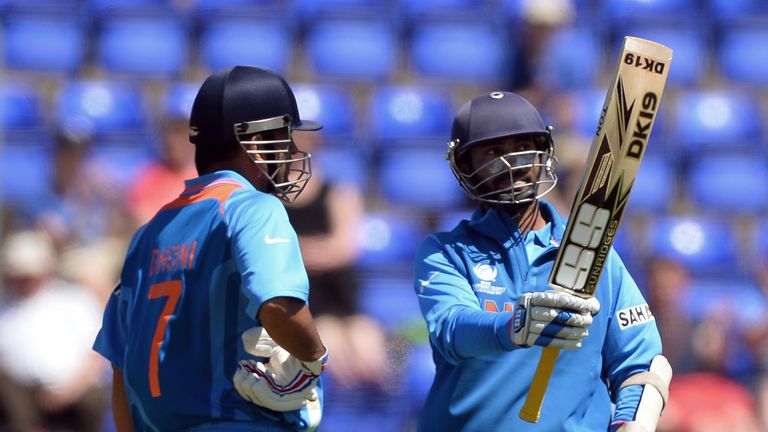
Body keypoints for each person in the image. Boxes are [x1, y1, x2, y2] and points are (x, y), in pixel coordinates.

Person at [412, 91, 668, 431]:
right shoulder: (446, 252)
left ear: (543, 154)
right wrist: (513, 327)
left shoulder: (595, 255)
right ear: (464, 165)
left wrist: (631, 422)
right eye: (493, 151)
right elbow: (452, 331)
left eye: (522, 148)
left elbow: (640, 361)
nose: (511, 162)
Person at [92, 66, 328, 432]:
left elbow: (121, 366)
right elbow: (279, 304)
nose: (292, 151)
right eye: (285, 137)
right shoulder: (253, 208)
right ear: (254, 144)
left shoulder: (147, 235)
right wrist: (313, 359)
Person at [284, 131, 388, 390]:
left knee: (374, 355)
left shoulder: (338, 192)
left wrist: (299, 249)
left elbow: (344, 249)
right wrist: (321, 248)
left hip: (341, 298)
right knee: (332, 352)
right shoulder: (269, 199)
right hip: (303, 303)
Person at [0, 229, 107, 432]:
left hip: (75, 391)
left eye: (28, 275)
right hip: (24, 397)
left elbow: (96, 354)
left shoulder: (73, 300)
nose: (24, 281)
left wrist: (68, 391)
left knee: (92, 401)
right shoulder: (4, 307)